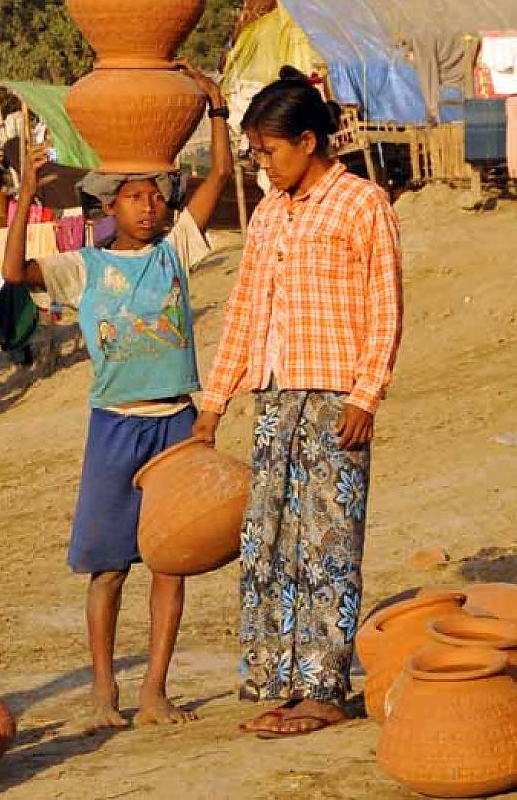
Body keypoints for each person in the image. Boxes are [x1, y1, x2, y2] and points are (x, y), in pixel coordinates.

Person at [2, 60, 233, 730]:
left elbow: (220, 177)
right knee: (108, 570)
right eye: (135, 197)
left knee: (170, 562)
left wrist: (218, 111)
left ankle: (155, 690)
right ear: (111, 207)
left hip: (177, 424)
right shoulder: (85, 267)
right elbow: (13, 272)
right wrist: (25, 196)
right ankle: (104, 692)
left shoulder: (175, 251)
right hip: (114, 427)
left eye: (156, 195)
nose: (150, 205)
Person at [192, 66, 403, 737]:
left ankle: (324, 688)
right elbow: (245, 310)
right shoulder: (267, 216)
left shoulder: (362, 204)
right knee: (272, 541)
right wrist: (213, 405)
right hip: (275, 398)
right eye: (255, 152)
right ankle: (279, 681)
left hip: (337, 398)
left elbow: (387, 307)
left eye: (269, 151)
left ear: (308, 141)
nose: (263, 163)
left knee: (329, 542)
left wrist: (366, 395)